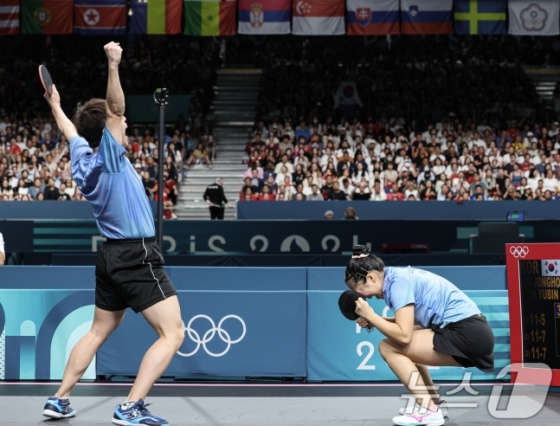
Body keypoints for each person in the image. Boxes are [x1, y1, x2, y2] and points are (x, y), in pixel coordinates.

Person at [41, 42, 184, 426]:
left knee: (100, 328)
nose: (125, 126)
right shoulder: (108, 156)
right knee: (173, 333)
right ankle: (130, 407)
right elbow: (117, 109)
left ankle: (59, 398)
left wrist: (55, 103)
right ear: (106, 130)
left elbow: (69, 128)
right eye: (117, 125)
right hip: (136, 254)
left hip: (109, 256)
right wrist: (113, 64)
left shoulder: (82, 157)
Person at [345, 245, 494, 426]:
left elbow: (403, 336)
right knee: (408, 342)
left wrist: (371, 316)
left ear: (371, 277)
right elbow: (409, 325)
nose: (363, 298)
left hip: (467, 333)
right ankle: (435, 404)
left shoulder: (398, 284)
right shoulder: (397, 277)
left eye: (359, 291)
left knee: (388, 347)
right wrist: (376, 320)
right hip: (474, 332)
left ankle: (429, 410)